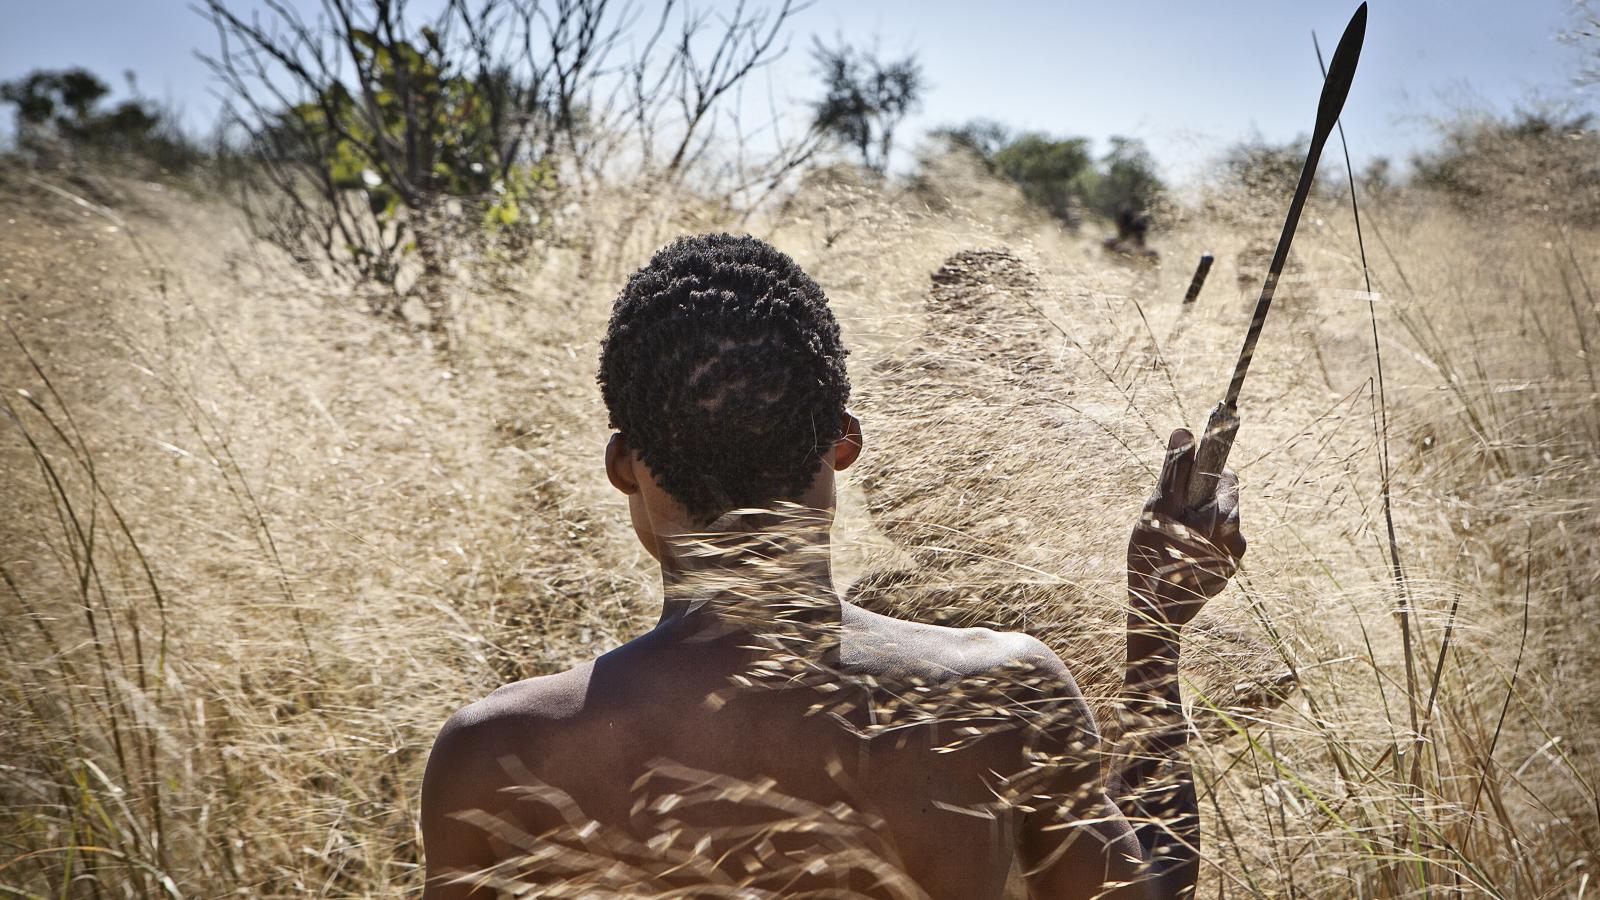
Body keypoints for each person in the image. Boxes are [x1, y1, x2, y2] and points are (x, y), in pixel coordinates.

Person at [420, 234, 1246, 898]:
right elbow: (1148, 888)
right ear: (844, 443)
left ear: (623, 464)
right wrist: (1154, 630)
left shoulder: (495, 754)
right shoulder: (1005, 694)